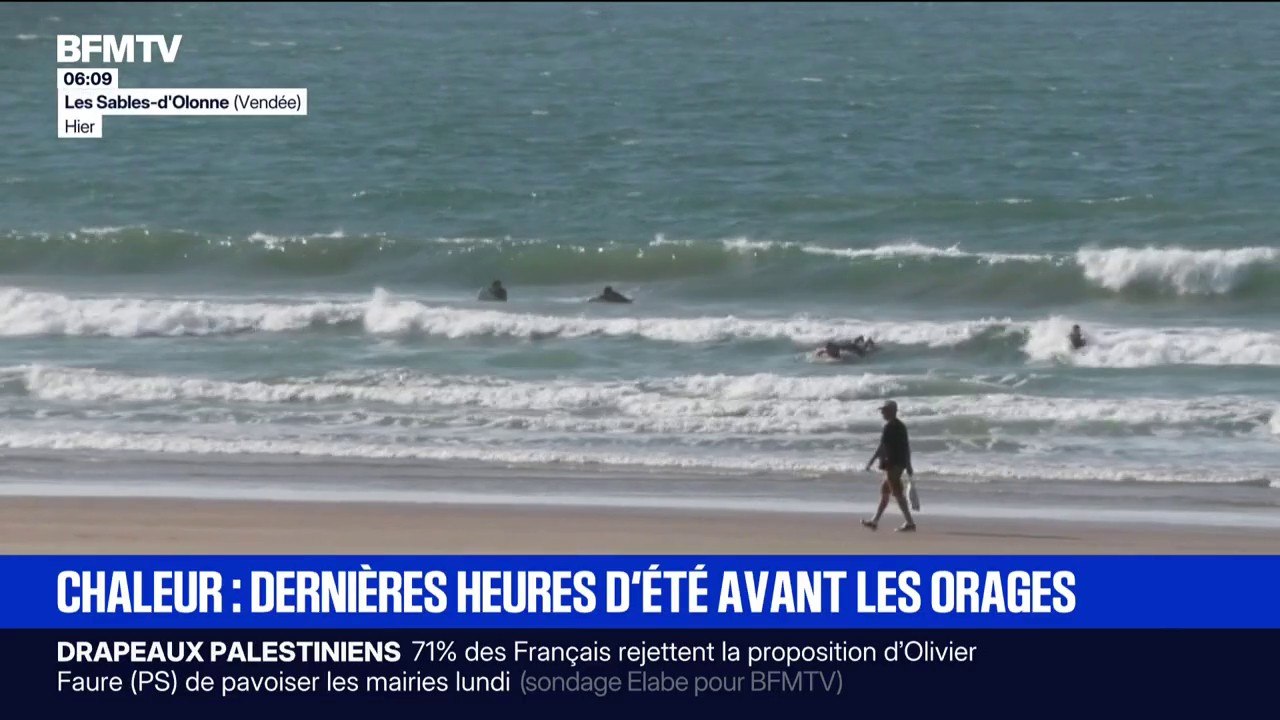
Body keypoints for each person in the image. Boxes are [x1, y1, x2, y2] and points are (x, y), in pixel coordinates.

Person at [861, 400, 917, 532]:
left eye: (884, 410)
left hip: (894, 464)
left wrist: (872, 460)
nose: (882, 413)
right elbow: (904, 447)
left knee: (897, 493)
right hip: (897, 463)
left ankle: (910, 523)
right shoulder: (898, 426)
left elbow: (884, 446)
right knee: (885, 492)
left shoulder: (891, 427)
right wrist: (908, 464)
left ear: (892, 411)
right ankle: (875, 521)